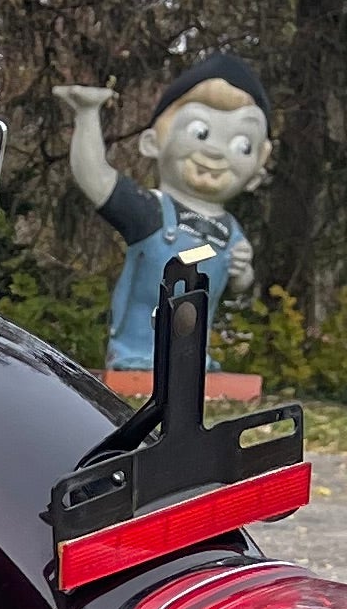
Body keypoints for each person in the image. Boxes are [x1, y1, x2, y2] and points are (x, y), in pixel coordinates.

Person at [51, 61, 273, 375]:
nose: (216, 152)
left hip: (195, 356)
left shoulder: (231, 230)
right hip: (137, 353)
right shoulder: (150, 211)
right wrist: (87, 115)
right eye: (201, 132)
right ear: (152, 143)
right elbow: (95, 177)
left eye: (242, 144)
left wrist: (242, 271)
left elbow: (239, 284)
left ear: (255, 175)